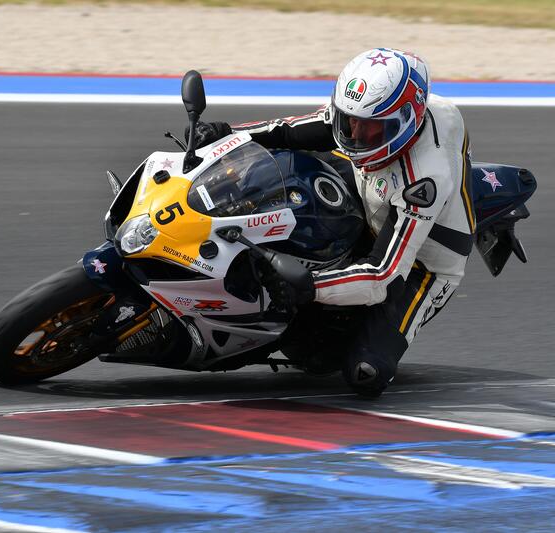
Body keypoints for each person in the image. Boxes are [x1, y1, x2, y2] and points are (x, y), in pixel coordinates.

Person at [192, 48, 475, 398]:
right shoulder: (373, 116)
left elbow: (383, 275)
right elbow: (294, 130)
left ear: (405, 122)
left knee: (365, 373)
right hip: (371, 193)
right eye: (350, 121)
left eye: (370, 129)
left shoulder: (424, 181)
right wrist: (228, 136)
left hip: (421, 264)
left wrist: (308, 285)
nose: (354, 134)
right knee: (286, 171)